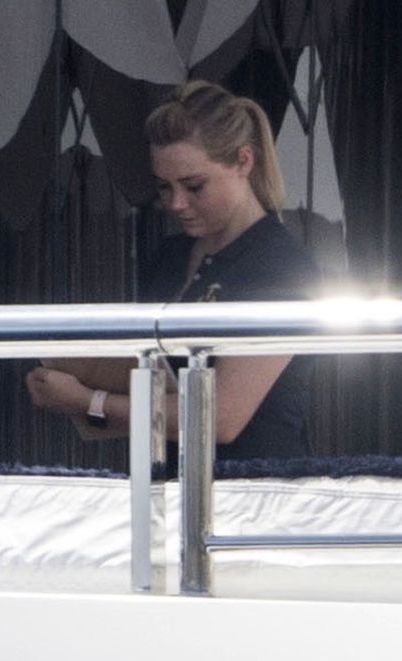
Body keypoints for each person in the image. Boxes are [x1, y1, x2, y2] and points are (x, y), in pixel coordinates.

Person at [26, 80, 321, 460]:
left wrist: (89, 400)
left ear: (244, 162)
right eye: (164, 188)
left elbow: (222, 418)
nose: (177, 203)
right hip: (165, 480)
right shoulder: (170, 255)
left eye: (194, 186)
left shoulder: (280, 264)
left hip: (254, 484)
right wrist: (81, 393)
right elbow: (145, 400)